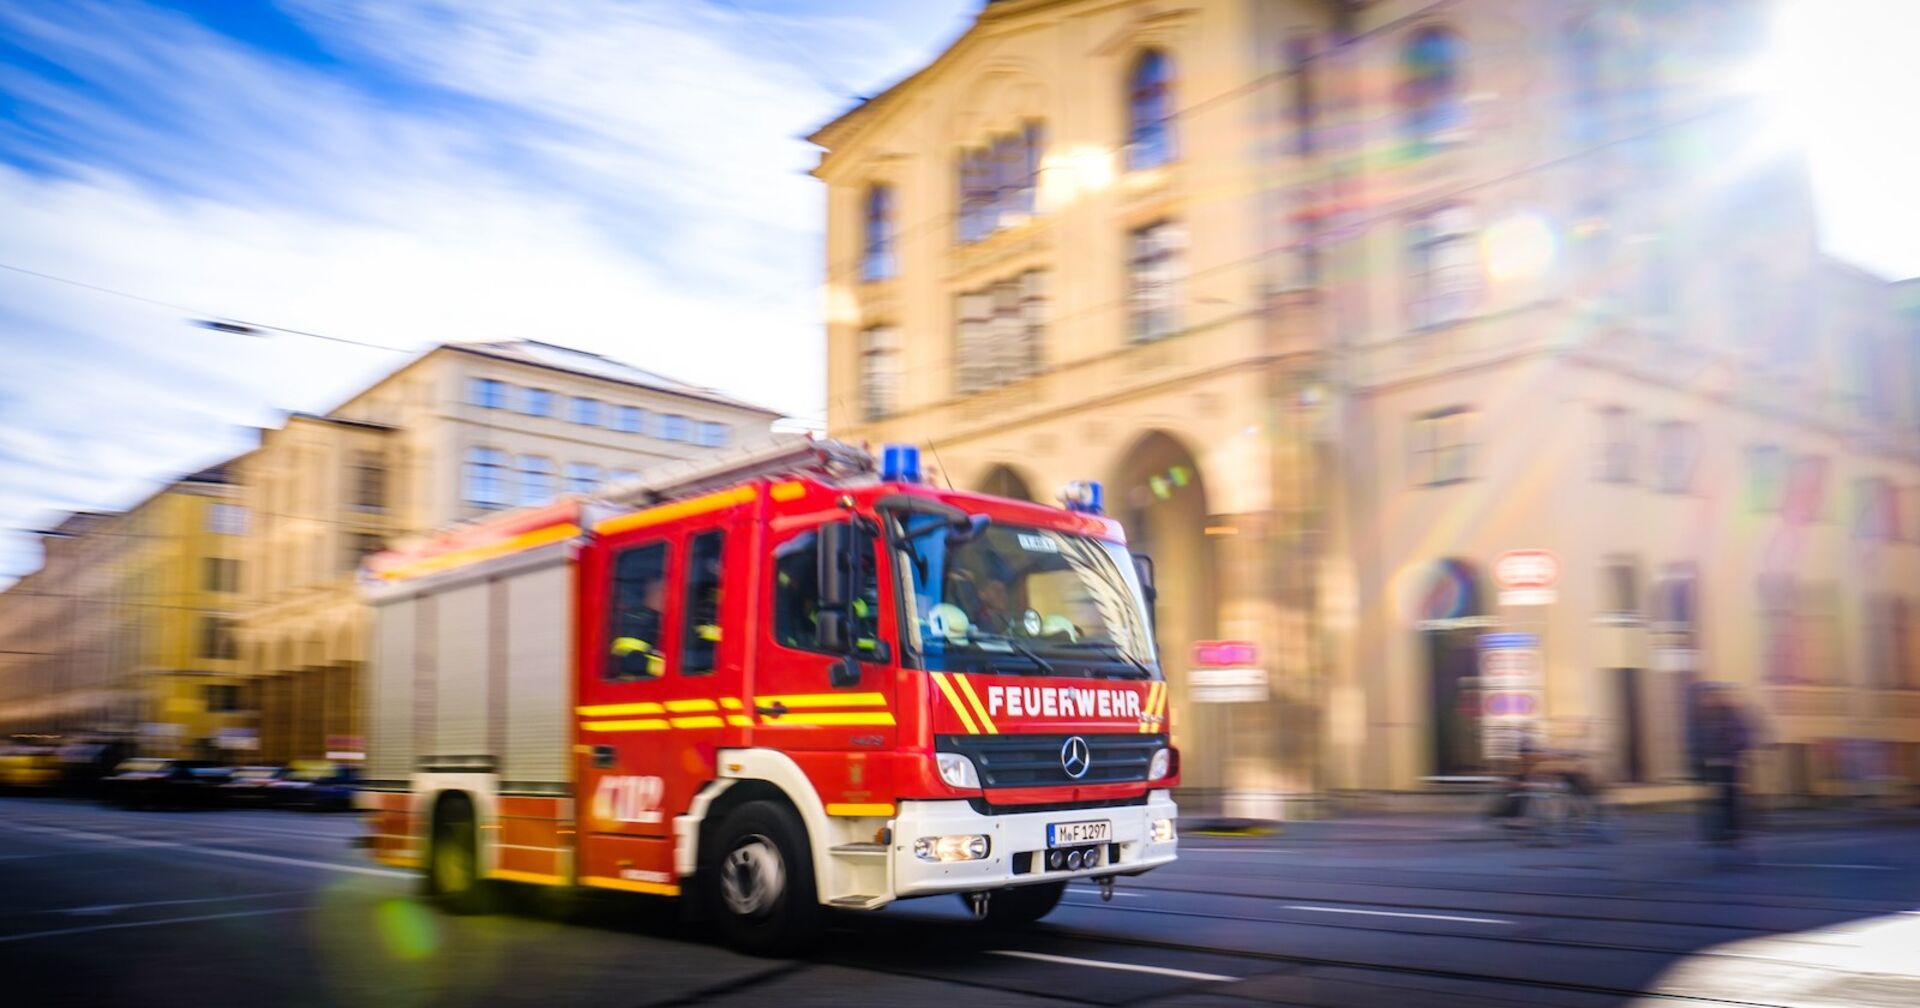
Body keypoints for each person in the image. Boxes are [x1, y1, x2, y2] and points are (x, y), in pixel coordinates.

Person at [1691, 683, 1753, 858]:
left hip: (1728, 762)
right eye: (1705, 698)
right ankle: (1717, 833)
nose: (1706, 700)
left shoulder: (1729, 714)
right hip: (1712, 764)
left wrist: (1733, 751)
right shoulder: (1704, 716)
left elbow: (1742, 736)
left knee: (1729, 799)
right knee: (1716, 801)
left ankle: (1731, 832)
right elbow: (1700, 739)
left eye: (1709, 697)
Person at [609, 577, 666, 679]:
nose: (668, 596)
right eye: (662, 590)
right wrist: (666, 668)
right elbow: (629, 661)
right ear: (647, 594)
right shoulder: (634, 621)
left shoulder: (665, 622)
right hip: (632, 691)